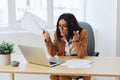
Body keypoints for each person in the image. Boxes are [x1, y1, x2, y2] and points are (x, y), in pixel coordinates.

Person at [43, 13, 90, 80]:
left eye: (64, 26)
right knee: (54, 75)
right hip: (64, 63)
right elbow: (53, 53)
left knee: (63, 76)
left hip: (79, 62)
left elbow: (81, 54)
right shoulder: (57, 34)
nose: (61, 29)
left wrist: (76, 41)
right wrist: (48, 40)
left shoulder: (83, 33)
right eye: (59, 26)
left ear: (71, 26)